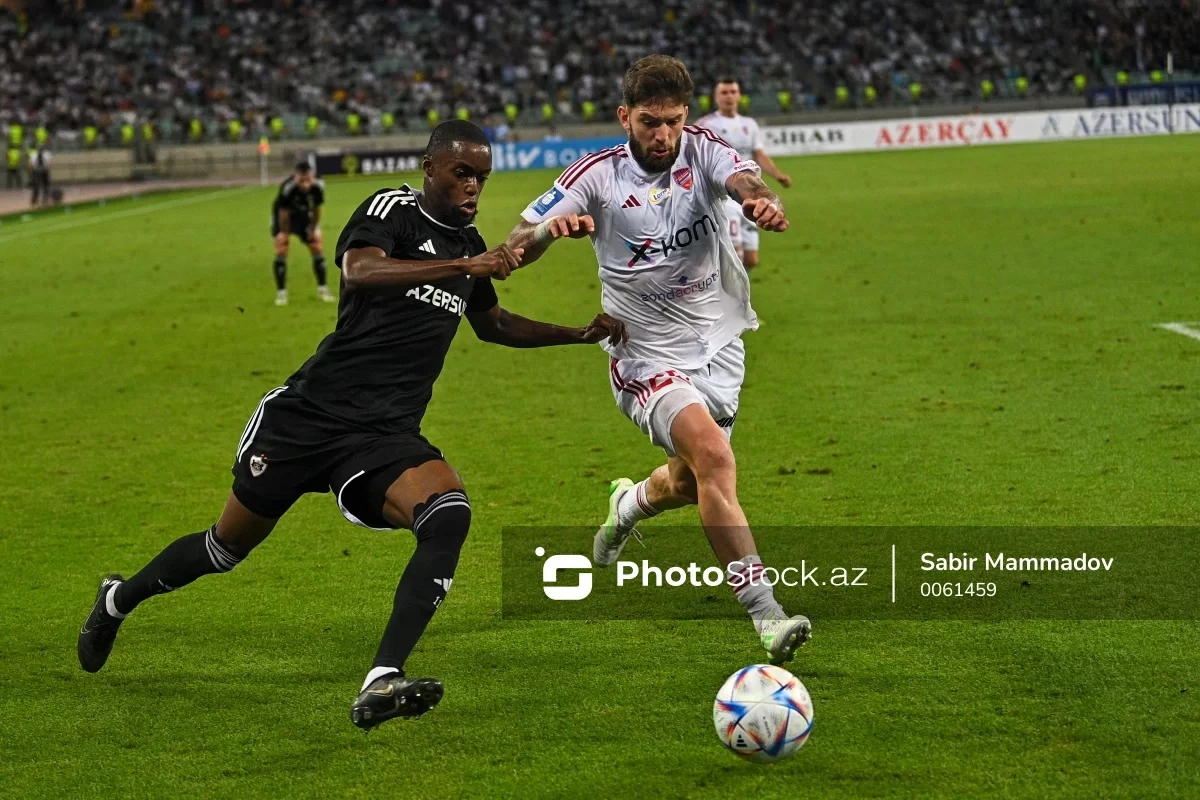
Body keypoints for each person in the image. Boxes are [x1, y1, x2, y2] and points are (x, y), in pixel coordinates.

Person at [77, 120, 627, 731]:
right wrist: (463, 265)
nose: (473, 186)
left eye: (482, 177)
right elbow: (360, 271)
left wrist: (575, 333)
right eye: (462, 173)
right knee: (226, 548)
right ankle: (117, 600)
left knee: (447, 513)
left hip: (384, 434)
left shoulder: (469, 243)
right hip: (309, 417)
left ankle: (382, 677)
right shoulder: (392, 210)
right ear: (430, 167)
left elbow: (493, 325)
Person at [505, 56, 810, 665]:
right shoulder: (594, 175)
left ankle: (631, 504)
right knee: (717, 458)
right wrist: (549, 232)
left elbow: (746, 181)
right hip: (643, 354)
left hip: (719, 347)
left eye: (672, 121)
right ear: (625, 117)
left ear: (686, 116)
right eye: (649, 122)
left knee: (690, 479)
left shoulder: (704, 150)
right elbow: (514, 242)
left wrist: (759, 203)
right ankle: (767, 616)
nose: (662, 135)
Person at [695, 78, 792, 268]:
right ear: (716, 97)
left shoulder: (749, 124)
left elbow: (758, 154)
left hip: (751, 194)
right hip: (725, 197)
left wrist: (777, 174)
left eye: (733, 92)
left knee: (751, 260)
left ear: (739, 96)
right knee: (734, 255)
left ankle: (735, 289)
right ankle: (727, 295)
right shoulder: (706, 125)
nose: (729, 96)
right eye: (724, 92)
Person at [271, 162, 333, 305]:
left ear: (312, 176)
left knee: (316, 245)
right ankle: (281, 293)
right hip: (283, 217)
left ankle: (323, 290)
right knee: (282, 248)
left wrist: (313, 228)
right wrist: (284, 233)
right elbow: (283, 213)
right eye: (301, 181)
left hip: (304, 215)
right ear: (295, 177)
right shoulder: (288, 188)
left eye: (308, 180)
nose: (305, 185)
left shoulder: (318, 186)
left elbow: (317, 210)